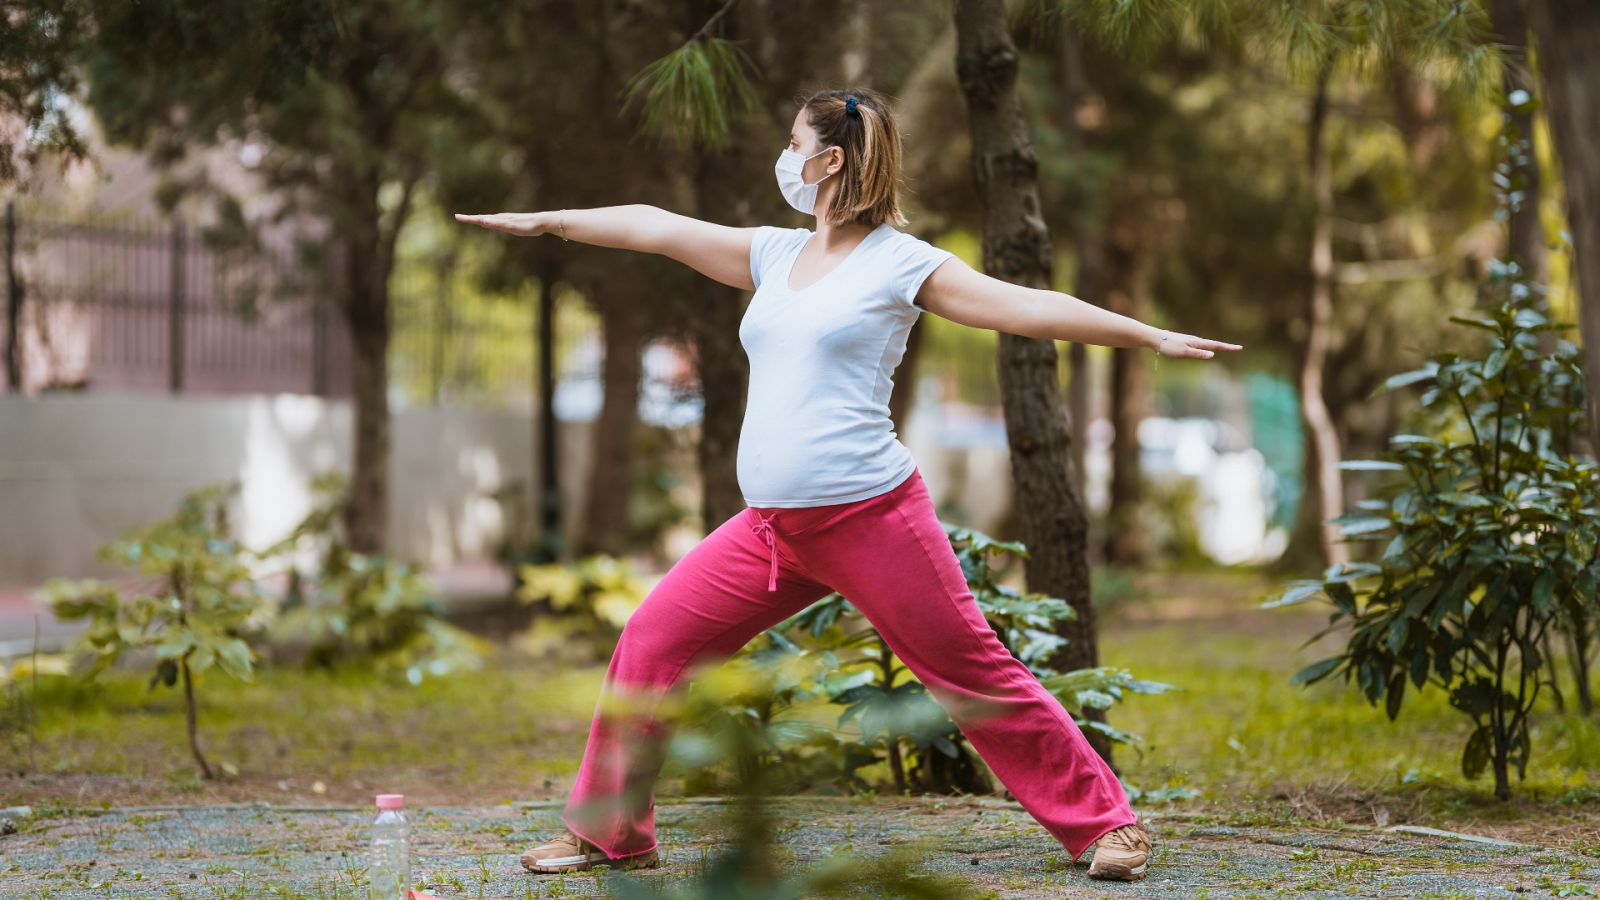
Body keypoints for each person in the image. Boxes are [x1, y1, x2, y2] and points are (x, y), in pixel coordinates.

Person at [456, 86, 1241, 884]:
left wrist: (1147, 334)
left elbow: (1024, 307)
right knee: (651, 643)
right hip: (769, 530)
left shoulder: (903, 262)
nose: (785, 156)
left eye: (793, 142)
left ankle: (1110, 826)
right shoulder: (774, 253)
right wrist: (551, 222)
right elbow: (658, 227)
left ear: (830, 159)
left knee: (971, 671)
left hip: (871, 518)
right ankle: (610, 832)